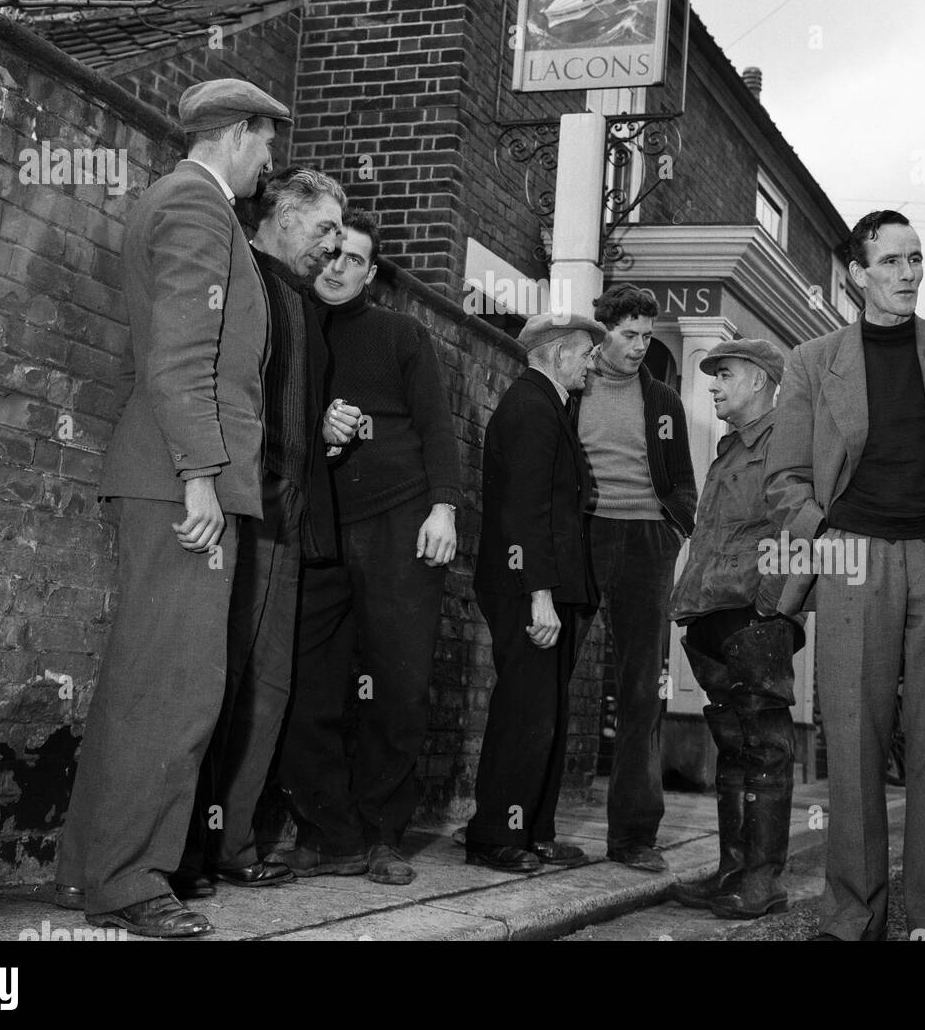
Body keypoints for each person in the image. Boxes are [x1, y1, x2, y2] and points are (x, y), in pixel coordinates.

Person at [54, 78, 287, 938]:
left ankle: (90, 869)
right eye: (265, 141)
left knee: (141, 680)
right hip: (185, 477)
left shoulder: (185, 202)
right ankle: (130, 880)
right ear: (234, 133)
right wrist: (199, 474)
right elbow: (183, 354)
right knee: (178, 688)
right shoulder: (198, 208)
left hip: (174, 470)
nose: (270, 159)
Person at [765, 210, 925, 941]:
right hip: (853, 557)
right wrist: (823, 536)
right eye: (891, 262)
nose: (907, 275)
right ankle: (851, 919)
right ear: (857, 274)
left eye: (916, 260)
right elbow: (786, 480)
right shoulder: (811, 361)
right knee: (856, 743)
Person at [273, 210, 463, 885]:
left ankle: (383, 834)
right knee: (302, 685)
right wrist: (322, 431)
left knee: (400, 688)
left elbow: (440, 428)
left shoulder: (401, 334)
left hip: (400, 525)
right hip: (319, 528)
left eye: (354, 259)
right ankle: (332, 834)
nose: (337, 267)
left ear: (372, 273)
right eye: (331, 253)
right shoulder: (290, 332)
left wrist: (443, 508)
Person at [180, 166, 352, 893]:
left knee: (268, 688)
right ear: (282, 216)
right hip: (235, 511)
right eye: (325, 232)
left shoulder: (302, 303)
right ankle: (183, 850)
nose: (335, 251)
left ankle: (232, 844)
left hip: (285, 517)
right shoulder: (238, 273)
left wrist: (320, 433)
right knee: (209, 686)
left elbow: (277, 404)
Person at [465, 312, 605, 873]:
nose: (593, 363)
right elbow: (525, 510)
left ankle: (532, 832)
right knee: (526, 711)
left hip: (546, 585)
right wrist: (539, 595)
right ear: (556, 353)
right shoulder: (530, 407)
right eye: (586, 354)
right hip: (530, 588)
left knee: (546, 710)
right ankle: (495, 835)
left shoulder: (549, 406)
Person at [669, 339, 803, 919]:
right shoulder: (730, 450)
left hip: (753, 617)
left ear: (759, 380)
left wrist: (770, 606)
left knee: (765, 748)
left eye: (724, 375)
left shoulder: (785, 442)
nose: (714, 386)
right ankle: (733, 870)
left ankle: (763, 878)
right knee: (733, 749)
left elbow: (795, 525)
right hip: (715, 616)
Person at [573, 284, 696, 873]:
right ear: (604, 332)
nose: (641, 346)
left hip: (649, 541)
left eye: (648, 335)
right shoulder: (573, 386)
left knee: (643, 689)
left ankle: (633, 837)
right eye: (630, 334)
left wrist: (673, 532)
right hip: (587, 533)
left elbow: (683, 480)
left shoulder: (665, 399)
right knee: (556, 672)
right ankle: (532, 826)